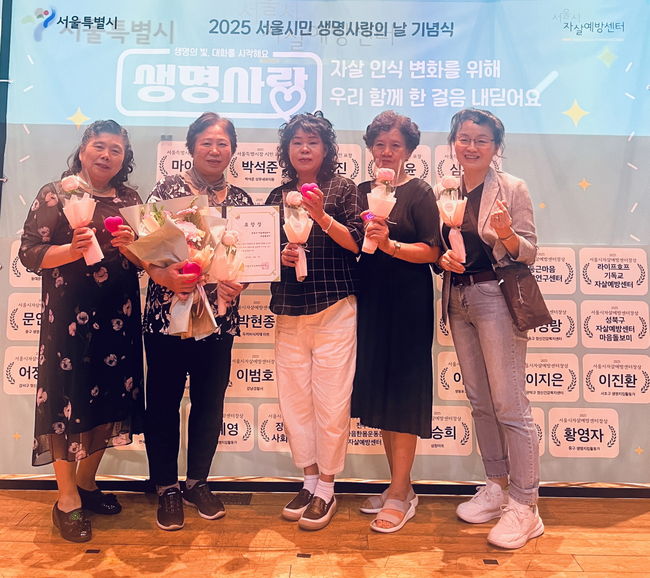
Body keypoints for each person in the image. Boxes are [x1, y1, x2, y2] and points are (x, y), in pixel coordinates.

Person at [19, 120, 144, 542]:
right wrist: (70, 250)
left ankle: (88, 484)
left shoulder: (129, 199)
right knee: (66, 402)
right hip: (69, 320)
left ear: (125, 158)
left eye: (116, 149)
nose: (107, 155)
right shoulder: (57, 194)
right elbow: (30, 254)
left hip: (119, 316)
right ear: (84, 149)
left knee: (109, 398)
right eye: (99, 146)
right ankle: (67, 499)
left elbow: (145, 257)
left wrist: (134, 244)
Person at [435, 108, 543, 549]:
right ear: (453, 143)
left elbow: (529, 251)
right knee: (480, 402)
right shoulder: (448, 190)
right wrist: (443, 259)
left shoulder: (512, 188)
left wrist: (506, 234)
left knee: (509, 405)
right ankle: (497, 485)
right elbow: (442, 248)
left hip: (496, 298)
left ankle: (526, 505)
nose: (471, 146)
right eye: (464, 138)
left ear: (496, 147)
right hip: (457, 299)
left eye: (481, 140)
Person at [141, 112, 253, 531]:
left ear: (232, 150)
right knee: (163, 403)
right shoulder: (166, 192)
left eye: (223, 143)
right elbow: (145, 249)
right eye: (206, 142)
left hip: (219, 317)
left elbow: (250, 257)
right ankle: (166, 487)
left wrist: (238, 282)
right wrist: (165, 277)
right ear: (191, 147)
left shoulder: (241, 201)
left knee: (209, 402)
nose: (214, 150)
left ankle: (197, 482)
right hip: (167, 315)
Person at [266, 112, 363, 531]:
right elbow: (262, 256)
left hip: (334, 308)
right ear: (287, 150)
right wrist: (281, 256)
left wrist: (322, 215)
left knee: (332, 402)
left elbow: (357, 243)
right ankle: (307, 479)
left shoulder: (342, 188)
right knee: (295, 403)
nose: (304, 149)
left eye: (313, 142)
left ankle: (327, 485)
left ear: (326, 149)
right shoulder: (277, 195)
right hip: (289, 310)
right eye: (297, 142)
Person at [351, 111, 441, 533]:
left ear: (409, 151)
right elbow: (352, 244)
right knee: (383, 394)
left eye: (396, 146)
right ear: (371, 148)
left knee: (403, 394)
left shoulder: (419, 192)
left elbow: (433, 251)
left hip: (408, 301)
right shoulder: (361, 192)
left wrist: (390, 246)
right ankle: (397, 485)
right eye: (380, 145)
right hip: (370, 300)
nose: (387, 152)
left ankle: (402, 493)